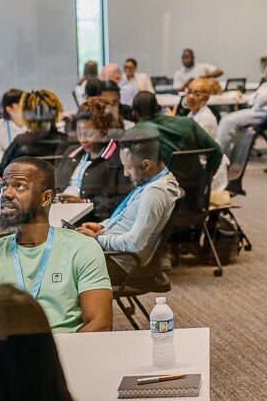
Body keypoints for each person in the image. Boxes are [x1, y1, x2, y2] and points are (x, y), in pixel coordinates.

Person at [0, 157, 113, 333]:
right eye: (4, 185)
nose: (6, 193)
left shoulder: (82, 248)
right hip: (7, 354)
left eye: (19, 186)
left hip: (69, 353)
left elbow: (100, 323)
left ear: (46, 198)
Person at [76, 128, 183, 279]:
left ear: (146, 165)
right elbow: (128, 218)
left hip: (119, 263)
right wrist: (102, 226)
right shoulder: (153, 182)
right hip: (111, 253)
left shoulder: (155, 192)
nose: (125, 173)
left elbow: (135, 243)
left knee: (60, 264)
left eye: (128, 167)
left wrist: (97, 239)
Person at [55, 96, 131, 222]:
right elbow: (57, 187)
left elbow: (124, 201)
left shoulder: (118, 159)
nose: (83, 140)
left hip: (90, 220)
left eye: (89, 134)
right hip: (62, 213)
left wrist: (85, 203)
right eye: (79, 134)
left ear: (105, 131)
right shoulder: (71, 153)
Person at [132, 91, 224, 193]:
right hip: (194, 191)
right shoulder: (188, 123)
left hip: (160, 195)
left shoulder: (135, 133)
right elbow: (216, 151)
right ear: (159, 108)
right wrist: (206, 180)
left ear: (134, 114)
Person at [215, 58, 267, 153]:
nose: (264, 72)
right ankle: (229, 151)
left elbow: (259, 101)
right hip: (257, 110)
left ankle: (223, 154)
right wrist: (246, 96)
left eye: (266, 70)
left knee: (227, 121)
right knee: (228, 122)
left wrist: (253, 98)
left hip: (262, 113)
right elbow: (253, 98)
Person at [170, 78, 230, 192]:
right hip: (198, 162)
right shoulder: (193, 113)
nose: (191, 96)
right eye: (189, 92)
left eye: (198, 94)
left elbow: (189, 144)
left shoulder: (205, 118)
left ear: (206, 98)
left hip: (208, 168)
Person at [0, 90, 69, 173]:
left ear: (26, 115)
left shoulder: (20, 142)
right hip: (59, 185)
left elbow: (3, 171)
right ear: (56, 112)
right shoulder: (67, 141)